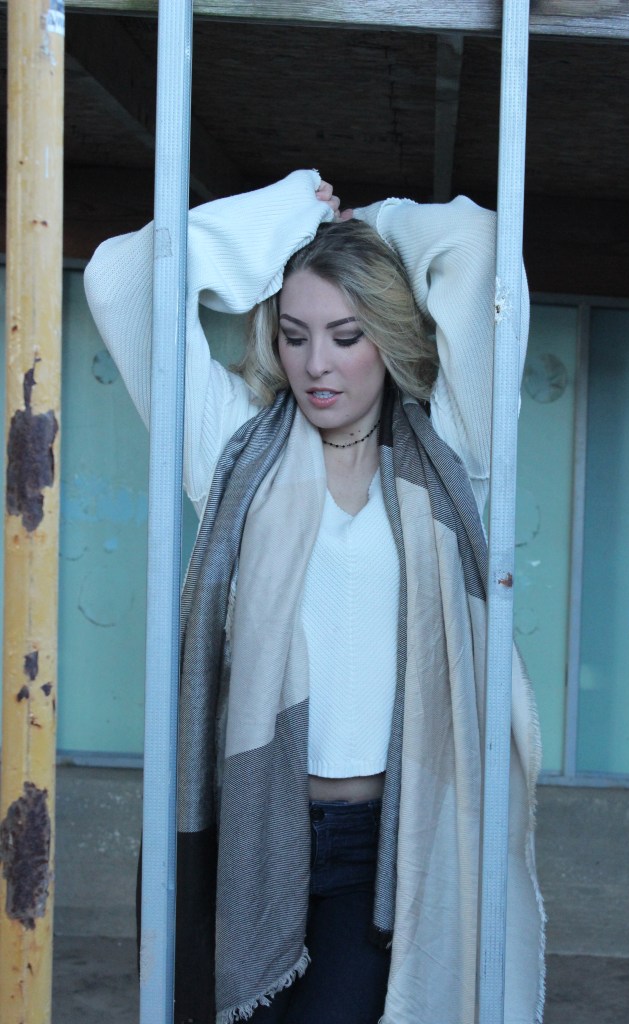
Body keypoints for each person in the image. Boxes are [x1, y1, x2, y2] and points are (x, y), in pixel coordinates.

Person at [84, 170, 545, 1024]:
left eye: (346, 334)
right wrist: (286, 216)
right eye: (294, 335)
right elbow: (121, 280)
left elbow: (479, 245)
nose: (316, 364)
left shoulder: (454, 446)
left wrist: (367, 224)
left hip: (386, 847)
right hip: (254, 834)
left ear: (387, 334)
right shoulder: (232, 449)